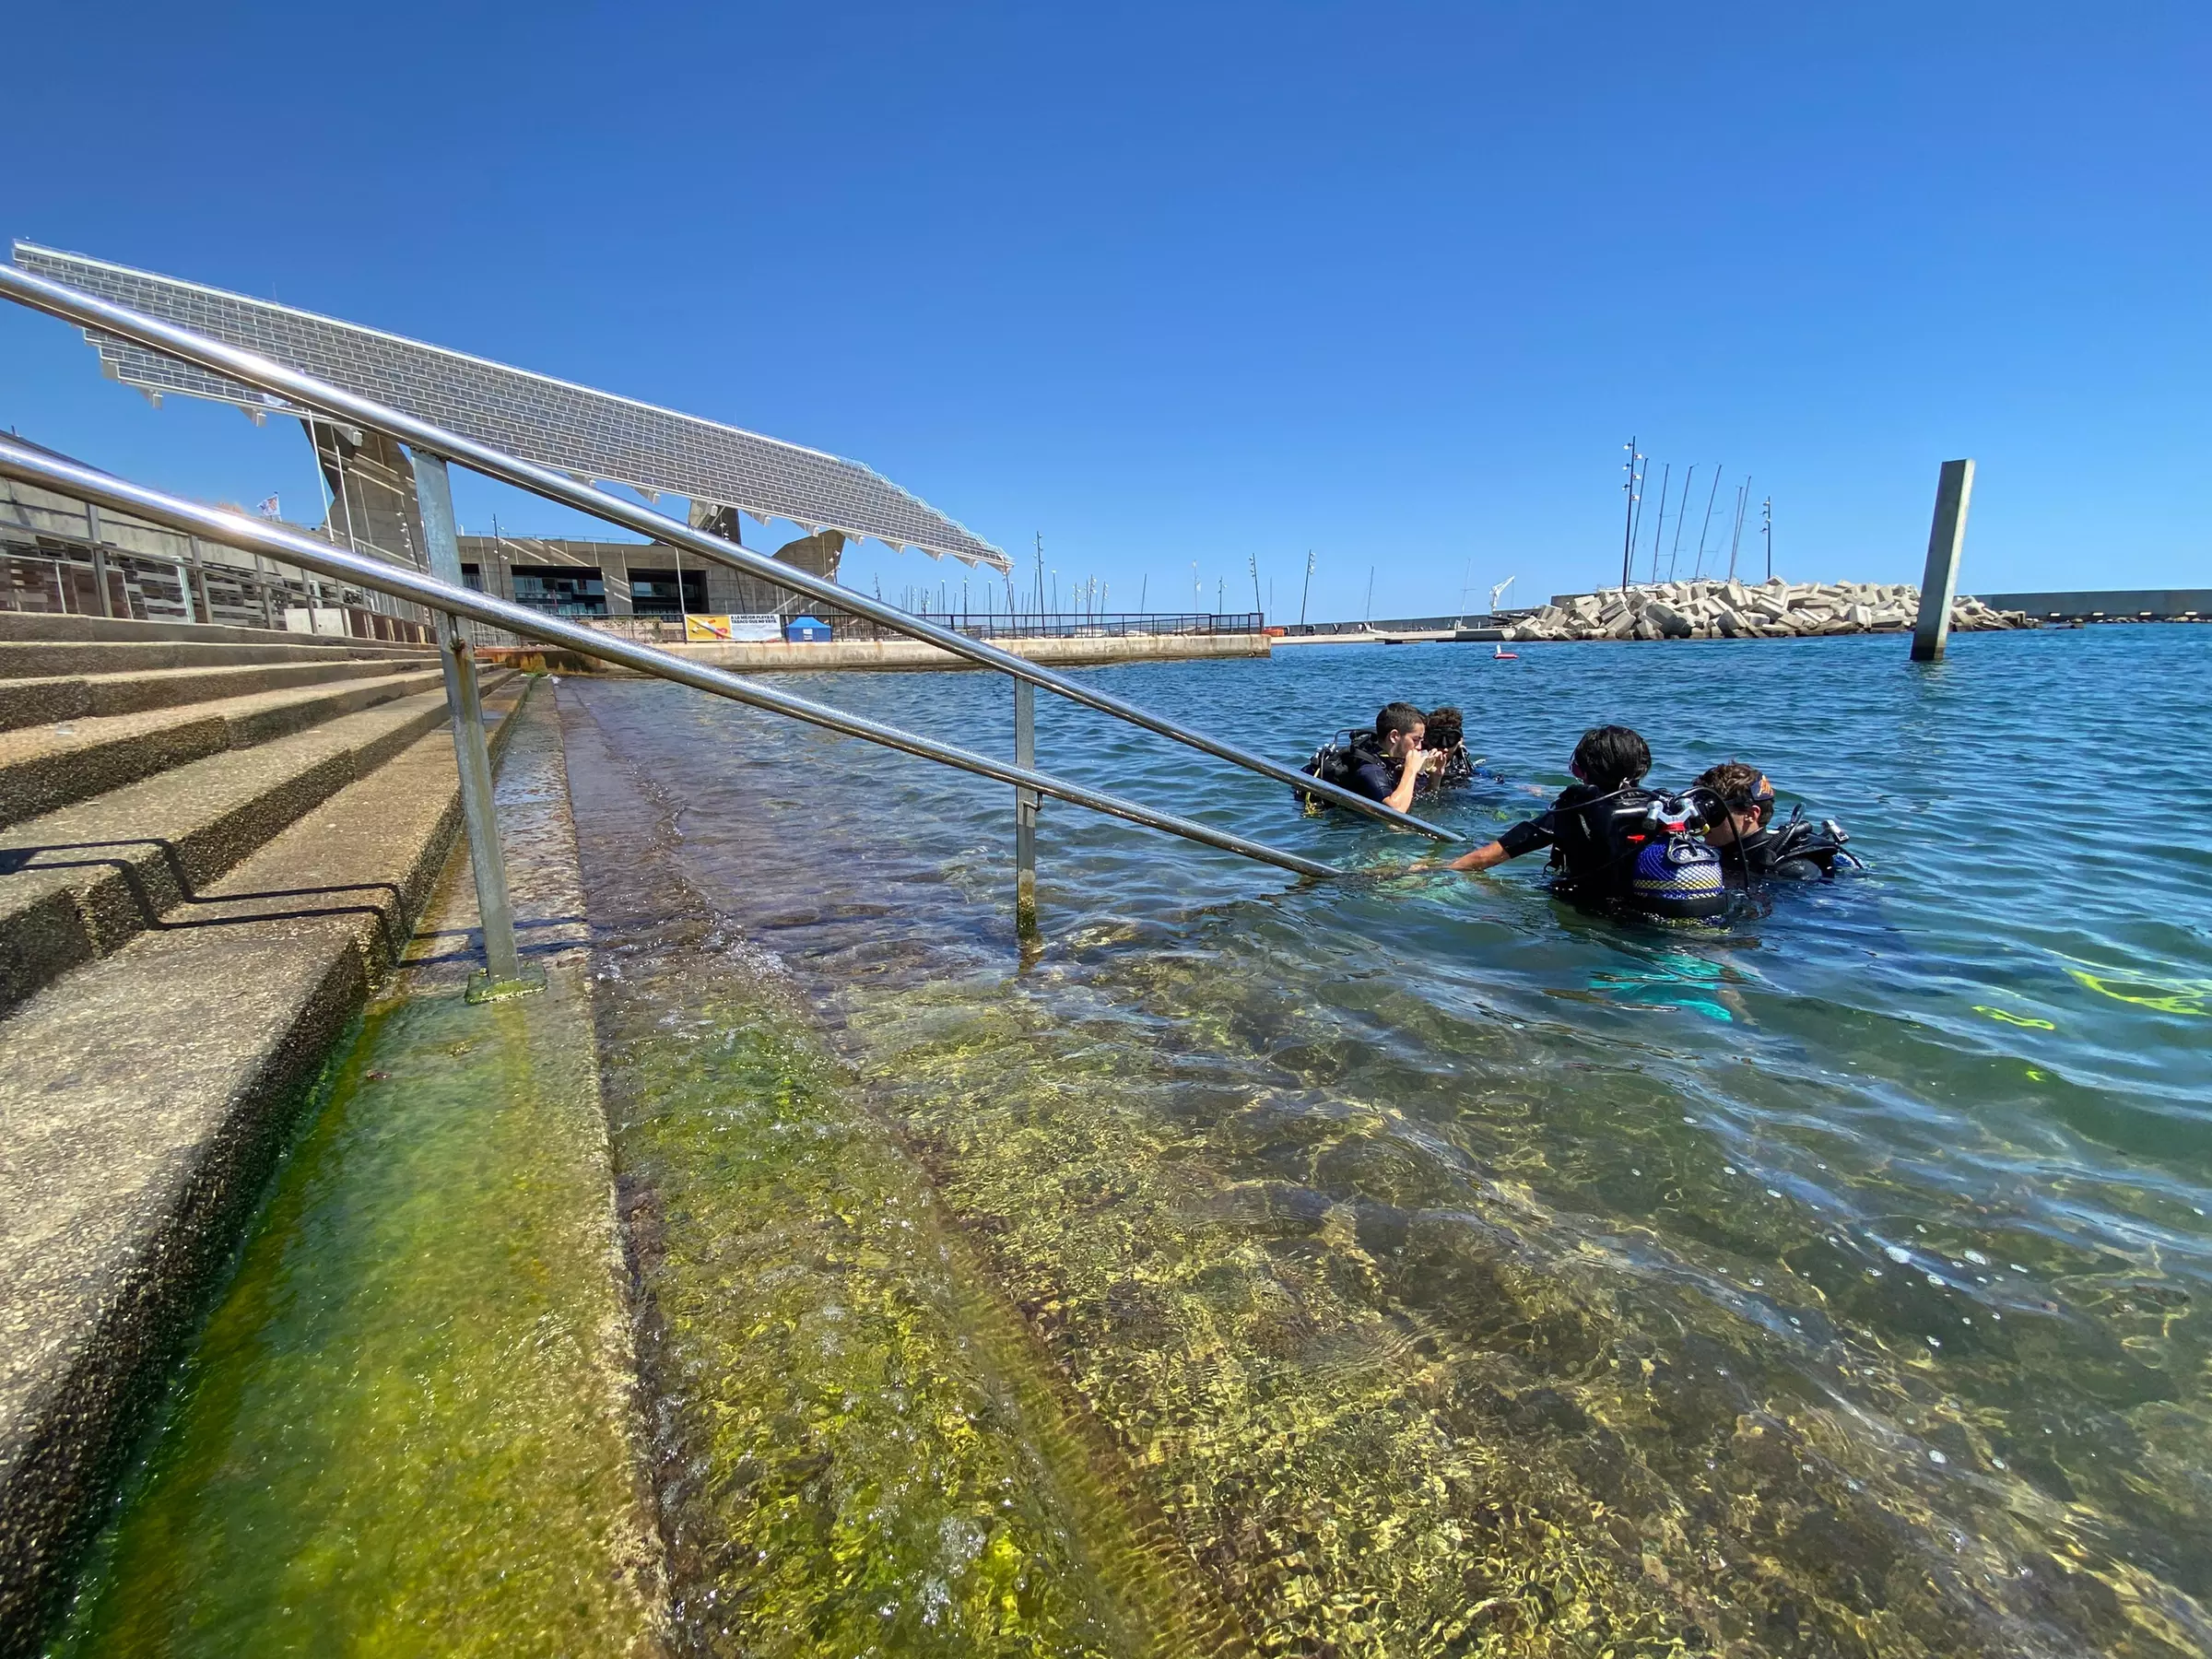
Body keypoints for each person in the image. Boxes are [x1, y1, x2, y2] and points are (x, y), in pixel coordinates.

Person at [1438, 724, 1729, 922]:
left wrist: (1435, 871)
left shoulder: (1577, 808)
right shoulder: (1665, 806)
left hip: (1592, 913)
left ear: (1584, 771)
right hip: (1655, 911)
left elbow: (1491, 855)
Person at [1693, 761, 1854, 883]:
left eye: (1712, 812)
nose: (1702, 820)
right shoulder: (1718, 851)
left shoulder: (1792, 870)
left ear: (1750, 814)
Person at [1297, 702, 1428, 815]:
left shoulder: (1388, 755)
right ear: (1394, 736)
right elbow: (1396, 811)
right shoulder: (1369, 769)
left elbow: (1416, 796)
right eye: (1415, 740)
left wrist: (1436, 775)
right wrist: (1410, 769)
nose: (1419, 746)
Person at [1417, 706, 1477, 794]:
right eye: (1436, 738)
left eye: (1451, 738)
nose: (1444, 746)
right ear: (1425, 739)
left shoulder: (1466, 768)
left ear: (1460, 740)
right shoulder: (1416, 768)